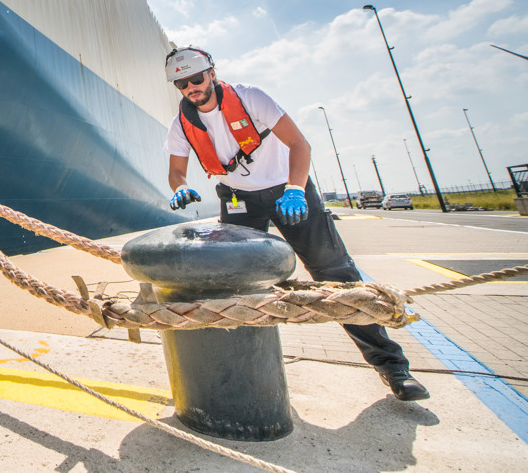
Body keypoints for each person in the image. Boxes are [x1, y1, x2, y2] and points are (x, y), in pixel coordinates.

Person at [163, 46, 430, 402]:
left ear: (211, 73)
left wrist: (295, 190)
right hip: (240, 199)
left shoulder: (252, 97)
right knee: (236, 281)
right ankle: (245, 371)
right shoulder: (182, 124)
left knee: (335, 273)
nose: (191, 86)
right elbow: (176, 172)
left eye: (197, 77)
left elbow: (299, 144)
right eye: (182, 82)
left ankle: (393, 367)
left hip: (289, 189)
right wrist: (180, 187)